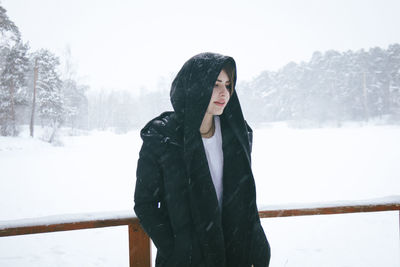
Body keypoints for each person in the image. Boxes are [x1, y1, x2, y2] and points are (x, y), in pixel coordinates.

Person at [134, 52, 271, 267]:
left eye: (228, 85)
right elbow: (145, 204)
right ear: (194, 86)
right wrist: (177, 249)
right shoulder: (162, 137)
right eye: (215, 84)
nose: (224, 93)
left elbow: (245, 198)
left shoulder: (237, 134)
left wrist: (257, 244)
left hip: (233, 254)